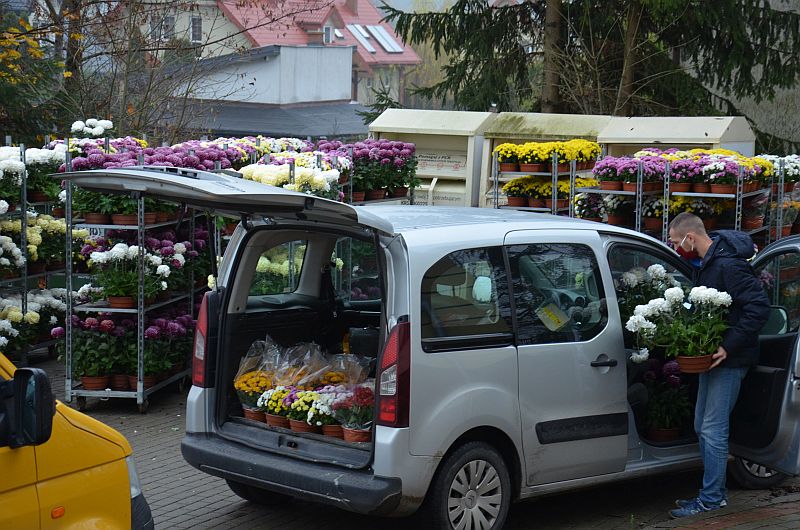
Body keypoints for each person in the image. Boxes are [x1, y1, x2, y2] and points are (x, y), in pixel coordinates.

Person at [666, 212, 770, 519]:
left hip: (730, 359)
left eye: (676, 242)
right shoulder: (710, 263)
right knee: (703, 426)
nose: (676, 248)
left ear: (691, 237)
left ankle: (711, 499)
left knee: (712, 429)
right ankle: (714, 493)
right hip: (712, 359)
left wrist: (728, 345)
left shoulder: (728, 265)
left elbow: (759, 308)